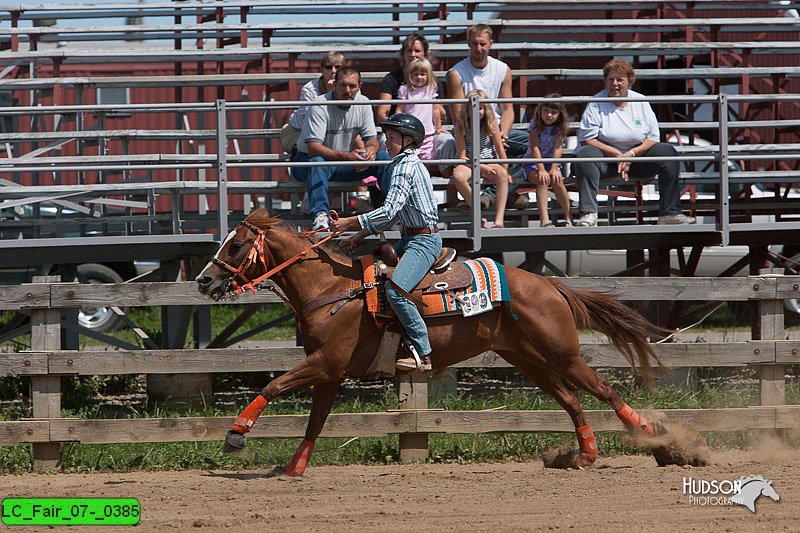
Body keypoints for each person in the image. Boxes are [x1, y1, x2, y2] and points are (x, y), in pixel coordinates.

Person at [330, 114, 441, 372]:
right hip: (412, 236)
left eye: (391, 138)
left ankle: (423, 354)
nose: (386, 142)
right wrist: (359, 236)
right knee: (372, 283)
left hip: (423, 241)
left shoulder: (404, 167)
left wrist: (350, 223)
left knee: (396, 292)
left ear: (408, 140)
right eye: (386, 137)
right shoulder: (406, 163)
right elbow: (396, 213)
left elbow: (390, 211)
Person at [573, 58, 696, 227]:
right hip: (605, 162)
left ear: (629, 81)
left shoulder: (640, 101)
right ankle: (588, 213)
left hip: (637, 160)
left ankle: (670, 213)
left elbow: (653, 137)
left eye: (619, 80)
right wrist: (617, 155)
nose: (614, 84)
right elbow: (587, 139)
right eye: (610, 80)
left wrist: (630, 154)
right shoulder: (596, 103)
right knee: (584, 155)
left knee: (667, 152)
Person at [291, 67, 391, 230]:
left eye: (352, 86)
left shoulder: (363, 103)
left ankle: (393, 211)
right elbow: (313, 148)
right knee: (317, 161)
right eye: (342, 85)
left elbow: (372, 139)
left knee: (383, 159)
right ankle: (320, 216)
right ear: (334, 85)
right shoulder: (320, 105)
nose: (347, 90)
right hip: (305, 161)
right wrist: (349, 157)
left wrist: (370, 152)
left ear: (360, 86)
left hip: (339, 162)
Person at [442, 23, 528, 208]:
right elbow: (458, 115)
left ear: (491, 44)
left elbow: (507, 109)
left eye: (482, 44)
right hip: (469, 130)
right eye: (474, 44)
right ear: (469, 44)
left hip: (496, 129)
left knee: (530, 145)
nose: (478, 48)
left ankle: (489, 195)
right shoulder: (456, 73)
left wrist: (502, 133)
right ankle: (507, 196)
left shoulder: (502, 69)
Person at [451, 89, 511, 228]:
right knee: (458, 176)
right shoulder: (461, 125)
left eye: (481, 108)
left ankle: (499, 219)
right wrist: (482, 167)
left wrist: (505, 168)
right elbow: (462, 155)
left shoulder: (491, 123)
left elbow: (499, 149)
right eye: (473, 108)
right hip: (468, 162)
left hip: (488, 159)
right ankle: (477, 214)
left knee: (502, 174)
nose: (477, 112)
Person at [281, 51, 346, 156]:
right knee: (316, 152)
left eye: (337, 67)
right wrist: (330, 95)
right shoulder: (309, 89)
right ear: (322, 70)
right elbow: (312, 123)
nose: (333, 71)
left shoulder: (350, 88)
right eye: (328, 67)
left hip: (332, 133)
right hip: (299, 132)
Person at [525, 94, 573, 228]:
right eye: (546, 110)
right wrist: (541, 169)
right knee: (543, 180)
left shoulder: (559, 127)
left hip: (551, 162)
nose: (549, 115)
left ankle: (568, 216)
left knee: (558, 181)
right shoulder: (535, 124)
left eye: (554, 112)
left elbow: (558, 149)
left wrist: (553, 168)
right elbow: (535, 147)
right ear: (540, 111)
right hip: (533, 162)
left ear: (559, 114)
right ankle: (544, 220)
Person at [396, 57, 446, 160]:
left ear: (428, 75)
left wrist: (438, 127)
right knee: (410, 156)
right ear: (410, 75)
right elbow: (399, 110)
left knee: (427, 156)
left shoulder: (430, 89)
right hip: (410, 131)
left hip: (427, 131)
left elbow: (435, 110)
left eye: (423, 74)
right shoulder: (405, 90)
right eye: (416, 74)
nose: (419, 77)